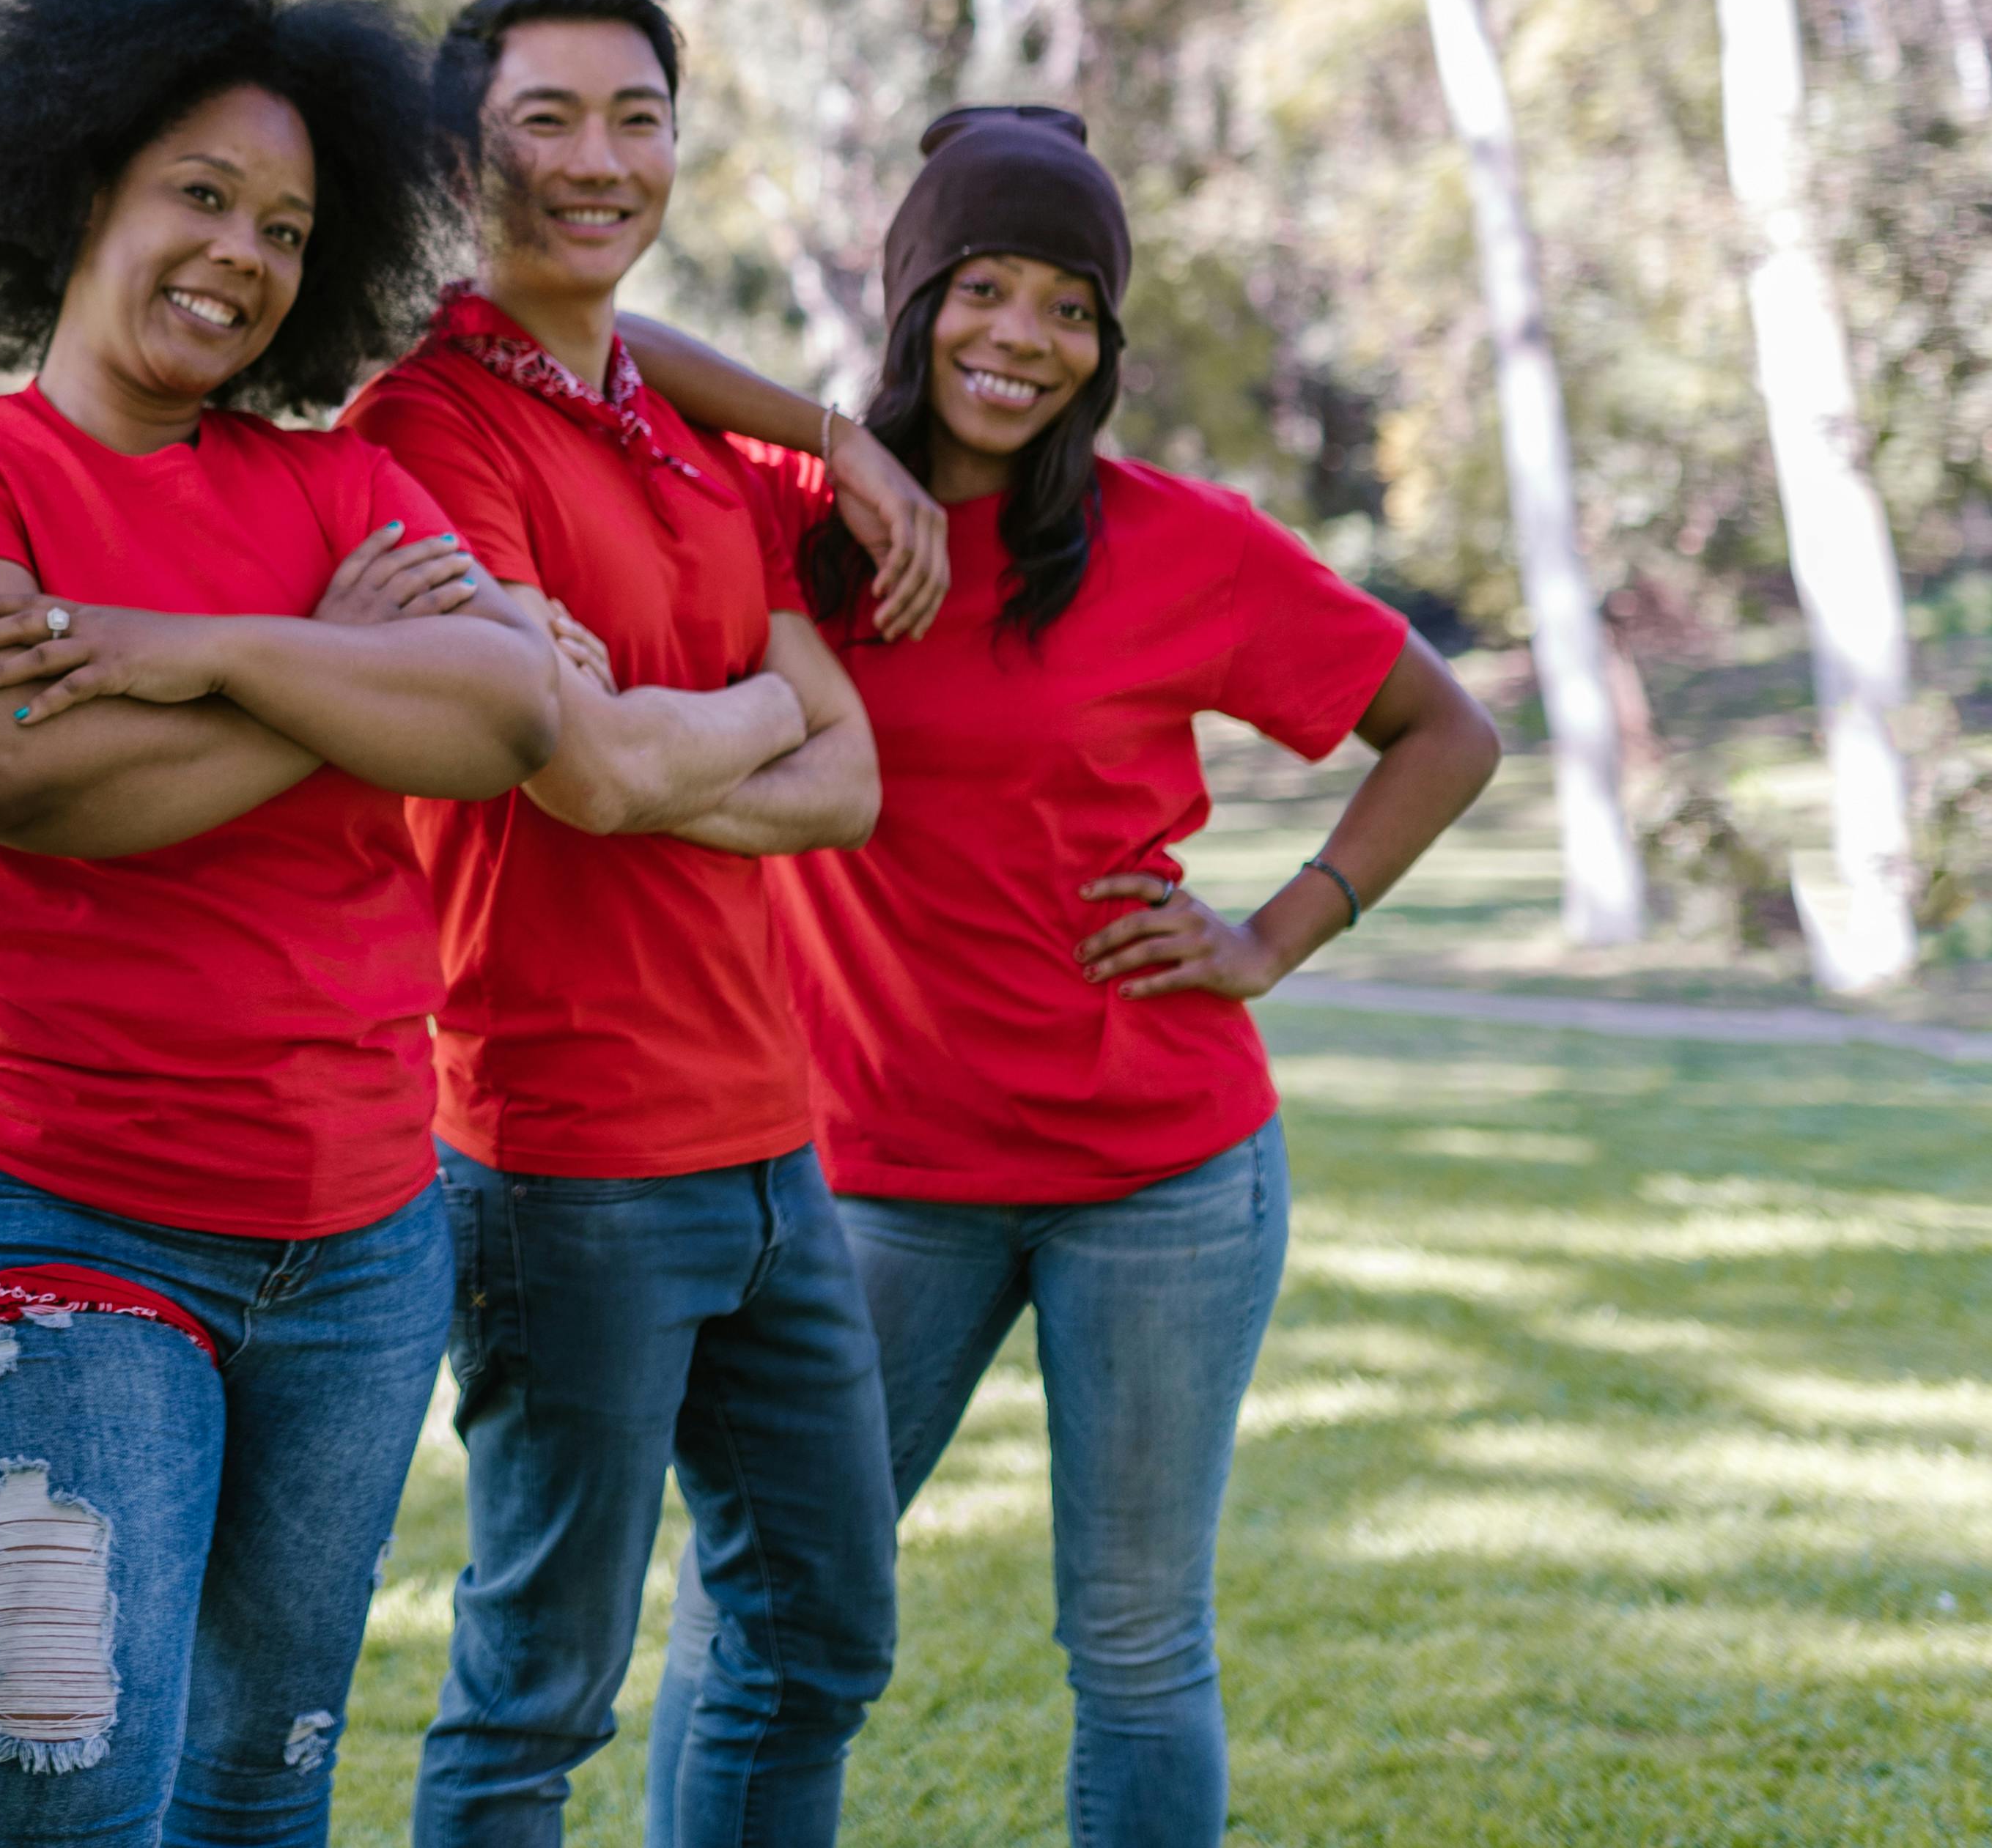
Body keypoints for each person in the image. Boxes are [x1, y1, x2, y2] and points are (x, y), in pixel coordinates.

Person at [628, 106, 1502, 1848]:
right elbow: (567, 344)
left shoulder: (1175, 541)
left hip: (1161, 1178)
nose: (1020, 339)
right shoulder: (780, 512)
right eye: (981, 289)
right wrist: (827, 441)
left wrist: (1275, 930)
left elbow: (1442, 728)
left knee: (1132, 1648)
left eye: (1067, 307)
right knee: (757, 1627)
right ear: (909, 299)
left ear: (1103, 344)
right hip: (871, 1184)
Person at [0, 0, 567, 1847]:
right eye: (198, 196)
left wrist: (202, 650)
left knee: (257, 1783)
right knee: (56, 1784)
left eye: (284, 230)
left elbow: (502, 718)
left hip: (357, 1245)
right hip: (57, 1230)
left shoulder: (337, 486)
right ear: (79, 183)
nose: (238, 258)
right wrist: (337, 671)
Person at [338, 0, 894, 1848]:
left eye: (633, 117)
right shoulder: (422, 429)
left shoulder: (673, 427)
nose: (598, 160)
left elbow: (852, 771)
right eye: (544, 121)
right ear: (457, 154)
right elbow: (575, 774)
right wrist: (735, 717)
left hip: (768, 1144)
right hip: (558, 1151)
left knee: (820, 1635)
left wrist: (688, 729)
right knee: (534, 1698)